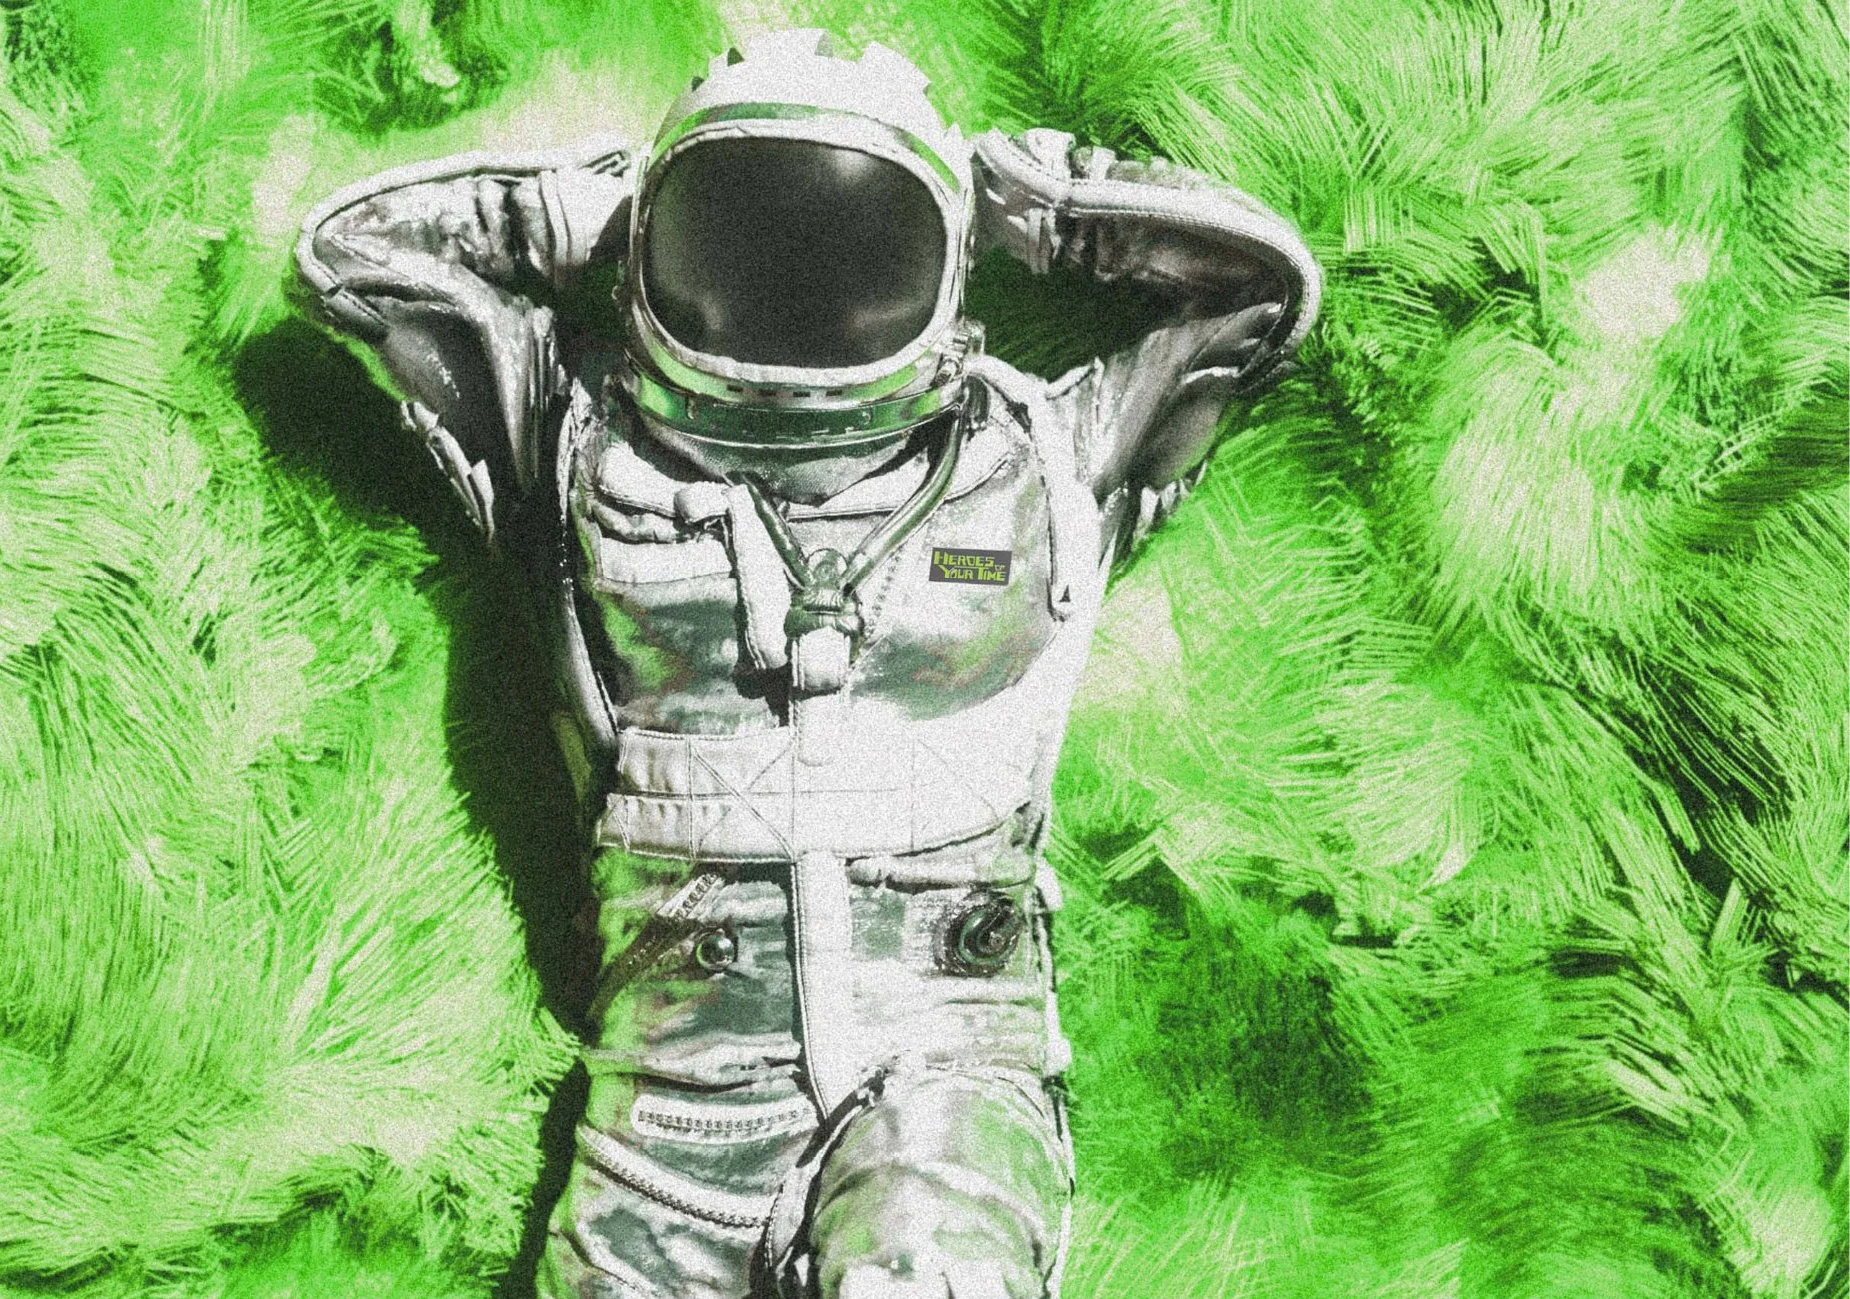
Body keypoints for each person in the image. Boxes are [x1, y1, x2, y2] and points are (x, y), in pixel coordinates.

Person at [293, 27, 1319, 1299]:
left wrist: (1046, 212)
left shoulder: (1039, 462)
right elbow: (346, 264)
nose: (794, 272)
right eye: (733, 225)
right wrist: (592, 216)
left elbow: (1263, 298)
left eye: (856, 237)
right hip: (672, 1120)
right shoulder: (572, 445)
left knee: (927, 1272)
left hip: (943, 1087)